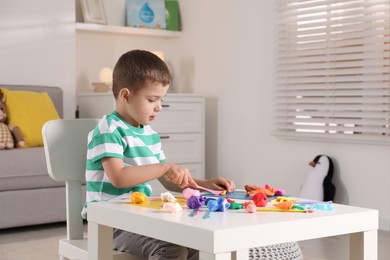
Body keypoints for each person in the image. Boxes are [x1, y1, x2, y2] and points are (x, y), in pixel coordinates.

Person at [81, 49, 235, 260]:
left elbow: (169, 181)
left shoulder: (149, 134)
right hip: (110, 223)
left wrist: (205, 184)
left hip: (139, 218)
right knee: (170, 250)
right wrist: (163, 166)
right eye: (152, 99)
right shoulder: (109, 129)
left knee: (198, 245)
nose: (159, 107)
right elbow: (118, 178)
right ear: (126, 95)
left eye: (161, 99)